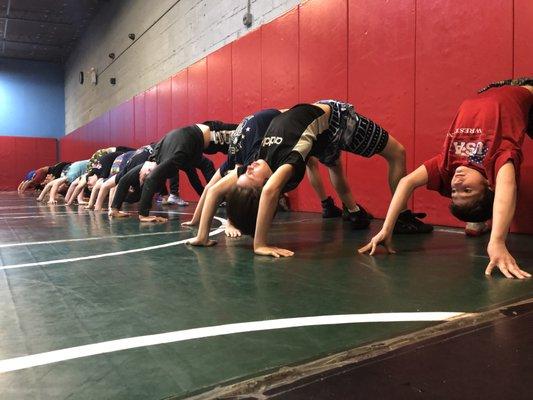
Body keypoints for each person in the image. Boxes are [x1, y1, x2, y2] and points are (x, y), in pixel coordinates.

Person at [359, 78, 533, 279]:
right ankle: (481, 218)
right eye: (467, 190)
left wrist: (386, 229)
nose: (457, 183)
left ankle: (478, 219)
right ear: (489, 184)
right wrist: (497, 241)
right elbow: (507, 188)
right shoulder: (499, 159)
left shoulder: (448, 165)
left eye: (454, 192)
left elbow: (406, 182)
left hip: (492, 88)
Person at [225, 99, 426, 257]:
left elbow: (215, 190)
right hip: (338, 120)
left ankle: (353, 211)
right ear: (267, 185)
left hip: (318, 133)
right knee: (398, 153)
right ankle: (402, 217)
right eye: (250, 176)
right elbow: (270, 191)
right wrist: (260, 244)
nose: (248, 168)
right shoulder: (288, 162)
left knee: (334, 166)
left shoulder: (260, 157)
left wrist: (201, 235)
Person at [108, 121, 237, 222]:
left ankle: (219, 197)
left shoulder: (166, 161)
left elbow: (150, 179)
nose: (146, 176)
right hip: (194, 145)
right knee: (201, 169)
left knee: (244, 135)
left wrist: (143, 215)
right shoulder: (157, 160)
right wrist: (114, 208)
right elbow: (125, 179)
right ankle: (215, 197)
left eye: (144, 176)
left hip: (213, 133)